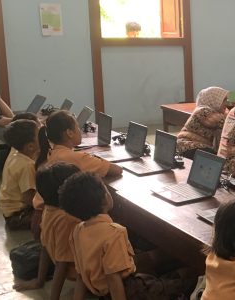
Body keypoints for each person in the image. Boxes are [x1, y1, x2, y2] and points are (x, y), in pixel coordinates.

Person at [61, 172, 195, 299]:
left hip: (104, 287)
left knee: (157, 258)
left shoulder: (77, 230)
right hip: (130, 290)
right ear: (105, 199)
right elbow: (114, 280)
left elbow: (81, 274)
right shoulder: (113, 233)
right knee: (188, 279)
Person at [32, 110, 122, 240]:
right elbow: (116, 170)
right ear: (69, 133)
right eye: (78, 128)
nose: (80, 131)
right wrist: (95, 160)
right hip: (57, 222)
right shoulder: (75, 157)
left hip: (44, 216)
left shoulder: (53, 152)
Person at [12, 163, 81, 297]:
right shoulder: (67, 219)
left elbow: (45, 247)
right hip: (77, 272)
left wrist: (39, 281)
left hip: (63, 265)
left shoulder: (48, 209)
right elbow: (62, 264)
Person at [0, 119, 39, 231]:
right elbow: (28, 198)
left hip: (9, 213)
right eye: (40, 134)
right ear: (30, 146)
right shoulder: (26, 165)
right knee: (57, 214)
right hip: (18, 216)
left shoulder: (15, 154)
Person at [177, 86, 228, 159]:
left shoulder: (205, 110)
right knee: (219, 161)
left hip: (191, 147)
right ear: (214, 100)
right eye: (224, 100)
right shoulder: (204, 112)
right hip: (189, 147)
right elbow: (227, 124)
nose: (227, 103)